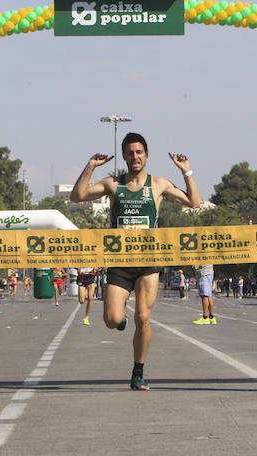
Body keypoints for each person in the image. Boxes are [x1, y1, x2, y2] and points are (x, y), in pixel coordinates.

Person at [70, 132, 200, 391]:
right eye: (130, 153)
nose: (135, 156)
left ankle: (138, 372)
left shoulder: (158, 185)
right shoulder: (112, 184)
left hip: (148, 262)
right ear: (125, 156)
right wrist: (91, 166)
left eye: (139, 152)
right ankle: (122, 321)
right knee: (111, 320)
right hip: (119, 262)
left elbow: (194, 202)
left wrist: (186, 171)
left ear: (146, 155)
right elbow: (78, 196)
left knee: (143, 316)